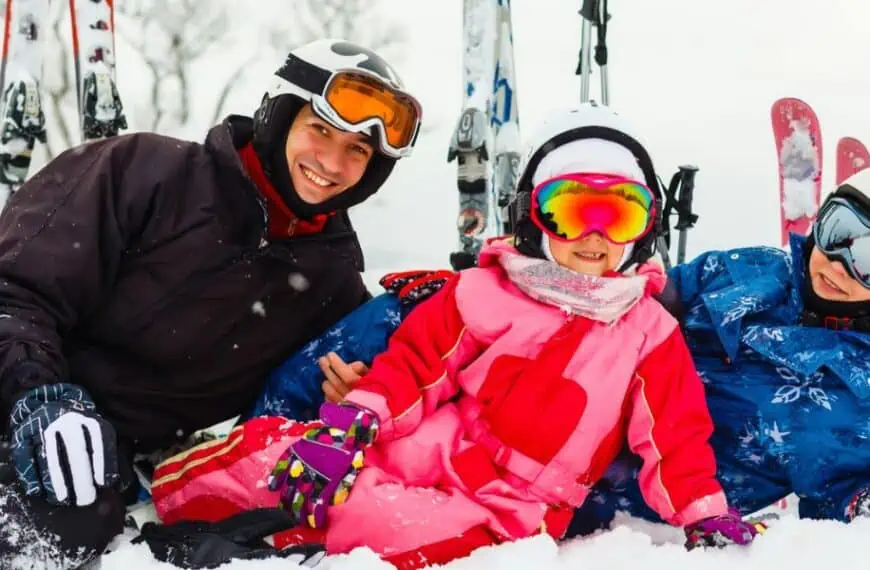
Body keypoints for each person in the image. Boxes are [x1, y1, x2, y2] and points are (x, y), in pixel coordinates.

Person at [149, 104, 760, 569]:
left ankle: (278, 535)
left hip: (510, 504)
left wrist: (705, 516)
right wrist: (354, 422)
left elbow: (674, 436)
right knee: (287, 458)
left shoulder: (648, 332)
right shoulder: (486, 289)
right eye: (572, 210)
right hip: (426, 445)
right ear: (533, 216)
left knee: (392, 526)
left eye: (619, 213)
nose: (594, 235)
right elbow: (417, 364)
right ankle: (178, 488)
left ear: (644, 228)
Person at [0, 38, 422, 569]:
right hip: (23, 388)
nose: (332, 163)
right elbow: (14, 287)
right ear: (280, 116)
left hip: (99, 463)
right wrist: (40, 396)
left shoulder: (330, 286)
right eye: (320, 130)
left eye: (358, 150)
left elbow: (327, 395)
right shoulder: (145, 171)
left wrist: (360, 392)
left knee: (67, 520)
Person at [566, 167, 870, 533]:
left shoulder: (861, 393)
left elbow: (839, 497)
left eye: (867, 260)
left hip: (646, 520)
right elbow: (651, 296)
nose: (840, 264)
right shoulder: (752, 270)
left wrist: (860, 502)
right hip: (575, 430)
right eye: (838, 231)